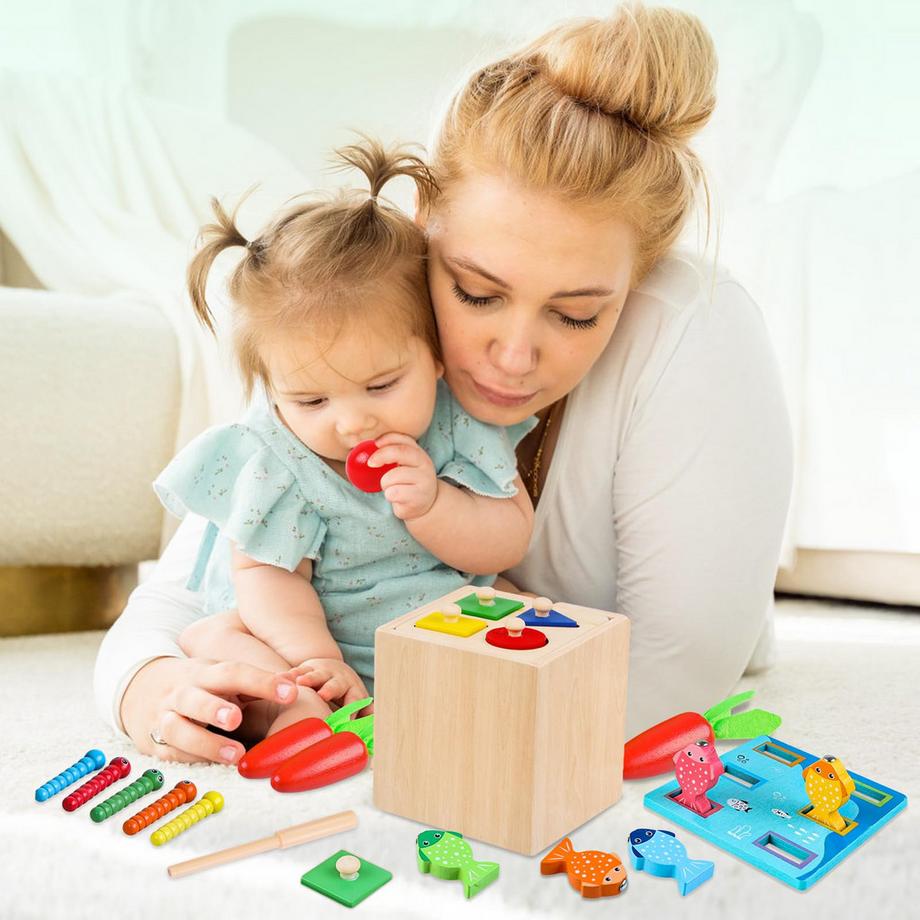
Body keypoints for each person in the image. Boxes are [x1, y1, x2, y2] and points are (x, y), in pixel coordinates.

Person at [94, 3, 792, 763]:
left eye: (576, 315)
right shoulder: (356, 332)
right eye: (478, 294)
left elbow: (672, 685)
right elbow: (178, 596)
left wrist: (385, 736)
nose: (513, 357)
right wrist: (160, 692)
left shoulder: (696, 335)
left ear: (640, 280)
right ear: (423, 223)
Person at [144, 137, 535, 742]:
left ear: (434, 353)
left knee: (532, 623)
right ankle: (297, 711)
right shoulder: (280, 460)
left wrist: (435, 505)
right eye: (312, 400)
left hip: (437, 619)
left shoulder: (456, 423)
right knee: (253, 659)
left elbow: (508, 539)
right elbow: (269, 579)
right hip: (308, 631)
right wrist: (318, 659)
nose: (351, 423)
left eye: (380, 385)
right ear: (274, 394)